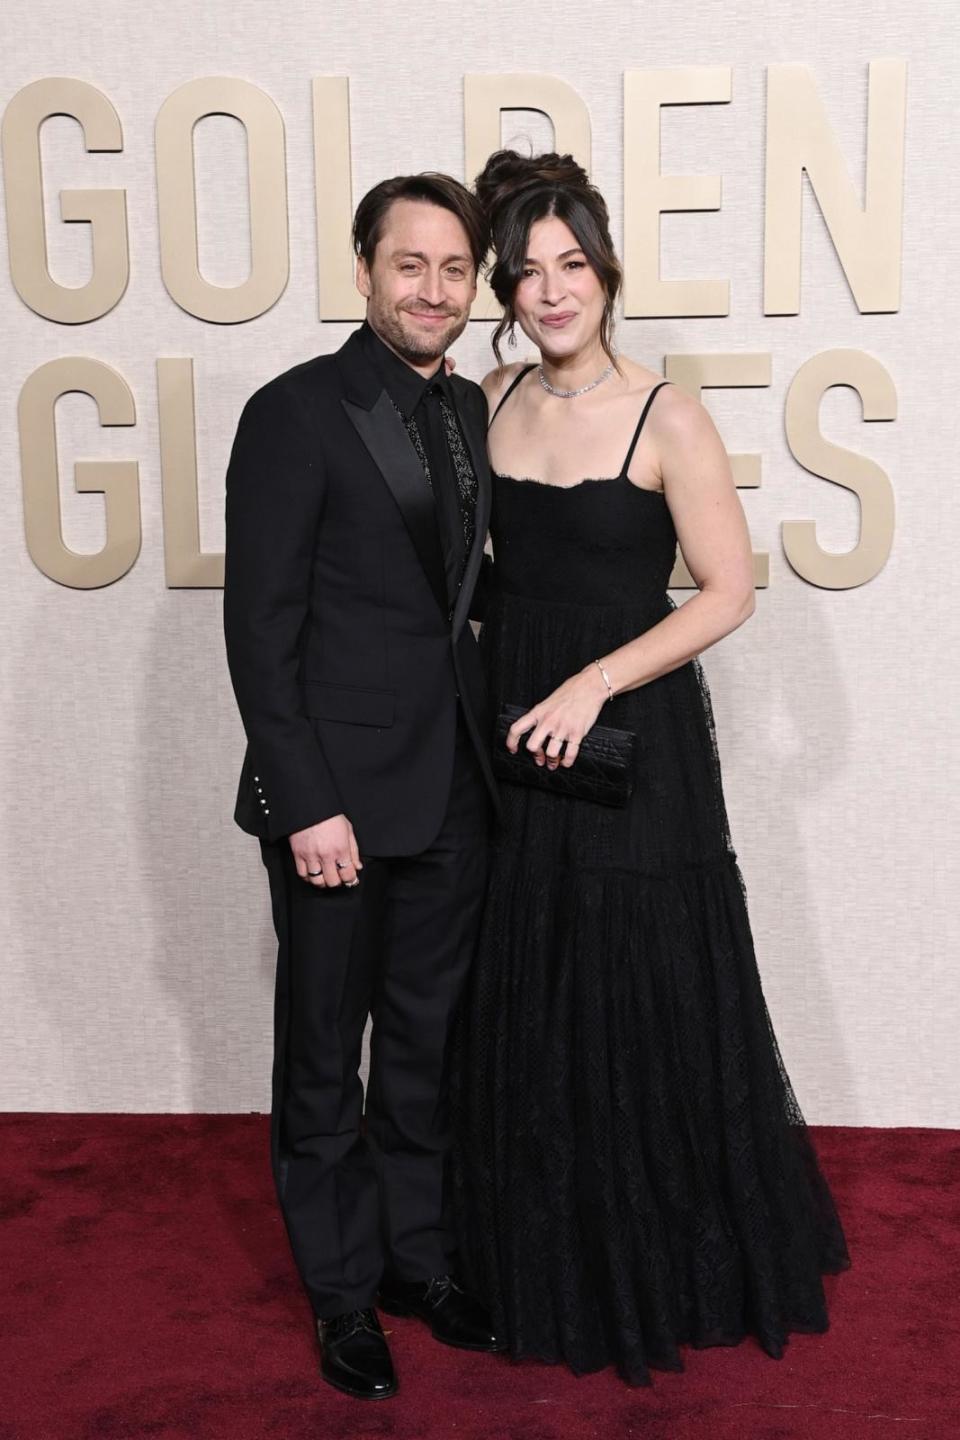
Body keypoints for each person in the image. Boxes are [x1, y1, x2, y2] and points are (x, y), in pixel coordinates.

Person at [450, 150, 850, 1386]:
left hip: (629, 738)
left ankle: (660, 1258)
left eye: (572, 265)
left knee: (637, 981)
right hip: (517, 739)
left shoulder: (666, 411)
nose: (552, 291)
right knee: (533, 973)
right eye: (526, 273)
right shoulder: (491, 398)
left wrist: (593, 682)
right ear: (505, 294)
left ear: (607, 270)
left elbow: (729, 590)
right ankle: (536, 1248)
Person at [223, 172, 503, 1401]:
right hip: (335, 803)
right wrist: (305, 802)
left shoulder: (476, 410)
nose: (434, 289)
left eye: (455, 270)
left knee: (428, 1052)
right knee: (321, 1060)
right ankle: (342, 1300)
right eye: (411, 265)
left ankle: (414, 1260)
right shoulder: (294, 412)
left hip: (453, 791)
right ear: (365, 272)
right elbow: (258, 628)